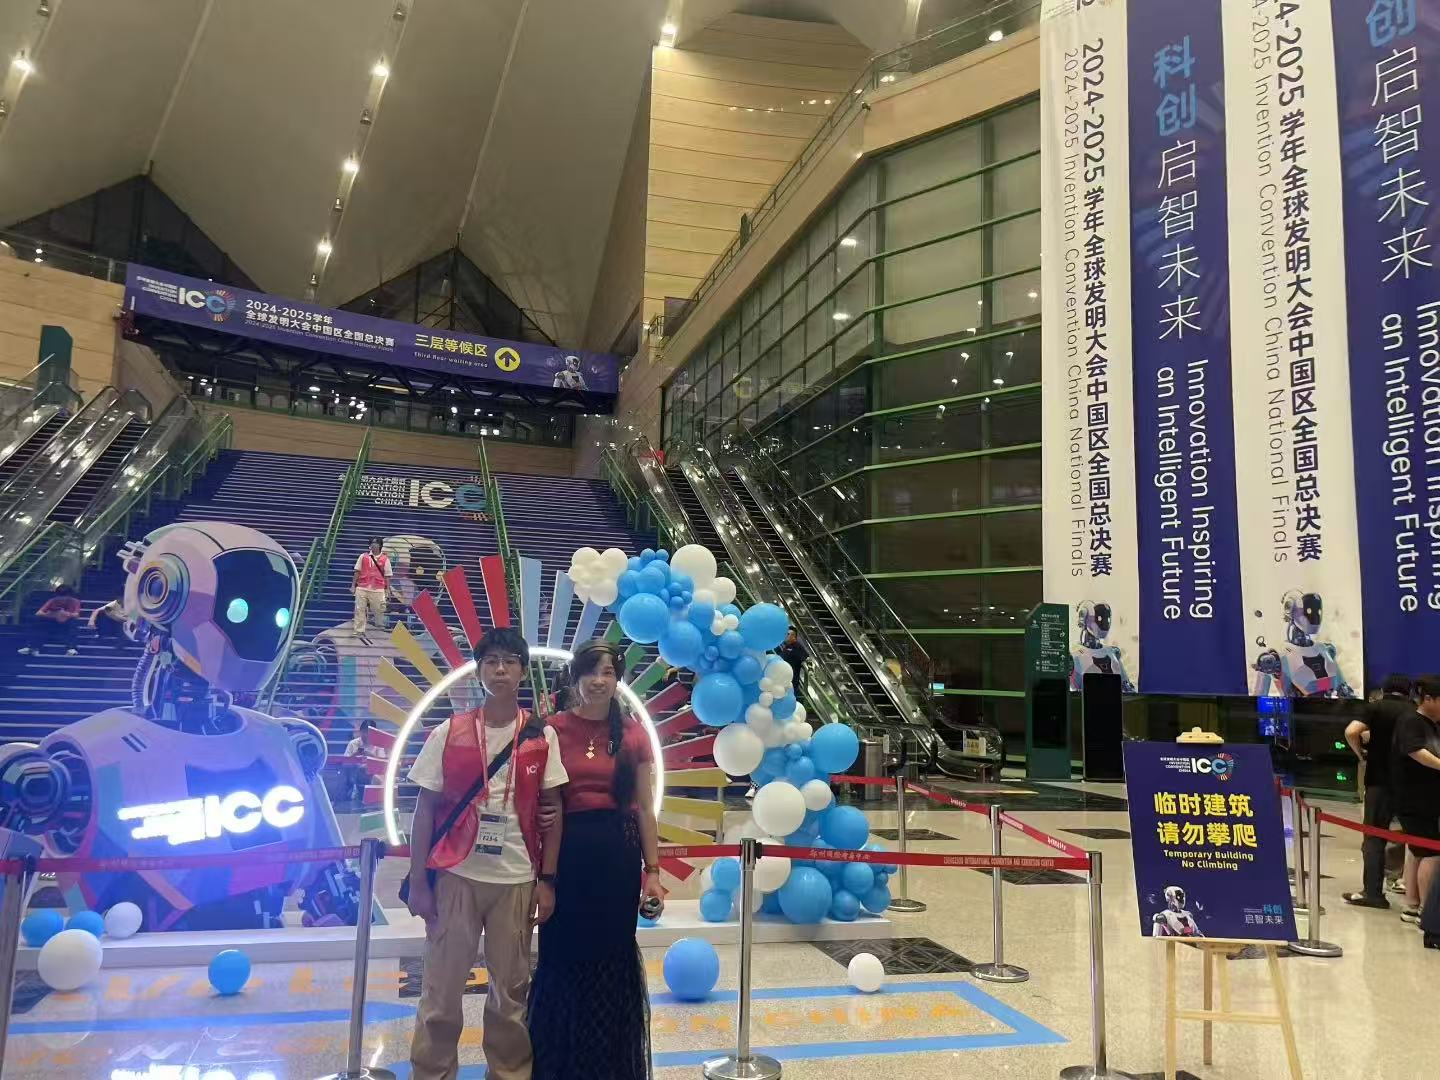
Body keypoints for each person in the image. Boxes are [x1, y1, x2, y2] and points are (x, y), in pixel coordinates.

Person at [407, 627, 568, 1080]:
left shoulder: (541, 735)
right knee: (440, 992)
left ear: (522, 671)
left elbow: (554, 807)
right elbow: (424, 809)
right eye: (491, 661)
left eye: (509, 662)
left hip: (516, 877)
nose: (500, 670)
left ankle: (509, 1074)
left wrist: (547, 881)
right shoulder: (450, 731)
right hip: (456, 874)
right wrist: (418, 881)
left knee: (510, 996)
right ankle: (432, 1074)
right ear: (478, 671)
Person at [529, 639, 663, 1080]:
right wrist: (545, 873)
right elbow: (538, 795)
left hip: (617, 859)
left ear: (618, 680)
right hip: (566, 856)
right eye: (591, 671)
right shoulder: (551, 729)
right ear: (575, 677)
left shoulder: (634, 735)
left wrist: (653, 872)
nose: (599, 681)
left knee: (610, 959)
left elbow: (645, 809)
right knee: (561, 957)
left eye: (608, 672)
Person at [1343, 674, 1412, 908]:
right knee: (1416, 838)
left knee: (1374, 837)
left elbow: (1351, 731)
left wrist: (1360, 754)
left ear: (1384, 690)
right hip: (1412, 784)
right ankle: (1410, 890)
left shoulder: (1376, 708)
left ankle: (1372, 893)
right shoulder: (1415, 711)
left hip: (1379, 781)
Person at [1391, 673, 1440, 948]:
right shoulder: (1410, 721)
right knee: (1432, 852)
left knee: (1418, 850)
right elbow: (1415, 752)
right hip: (1415, 798)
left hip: (1427, 798)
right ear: (1428, 699)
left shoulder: (1433, 724)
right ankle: (1426, 911)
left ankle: (1412, 904)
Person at [18, 584, 82, 657]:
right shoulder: (53, 600)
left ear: (69, 595)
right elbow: (39, 613)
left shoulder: (75, 601)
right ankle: (32, 648)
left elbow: (76, 615)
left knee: (74, 623)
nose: (62, 598)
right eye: (60, 595)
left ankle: (71, 648)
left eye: (64, 596)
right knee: (38, 621)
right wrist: (53, 614)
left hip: (66, 624)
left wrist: (65, 614)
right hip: (52, 623)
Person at [352, 537, 394, 635]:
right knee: (359, 609)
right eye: (372, 543)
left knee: (379, 609)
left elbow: (387, 575)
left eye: (375, 543)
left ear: (380, 545)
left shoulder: (385, 559)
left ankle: (379, 627)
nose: (373, 545)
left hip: (378, 588)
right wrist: (353, 585)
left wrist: (387, 589)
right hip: (362, 586)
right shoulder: (363, 556)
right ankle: (358, 630)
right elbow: (357, 571)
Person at [342, 718, 375, 803]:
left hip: (372, 778)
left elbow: (383, 764)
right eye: (364, 732)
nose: (366, 735)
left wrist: (371, 756)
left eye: (368, 732)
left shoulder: (378, 745)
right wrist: (356, 754)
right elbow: (344, 763)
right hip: (355, 777)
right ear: (360, 732)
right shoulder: (353, 744)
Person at [777, 626, 810, 700]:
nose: (787, 636)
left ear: (794, 637)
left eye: (789, 634)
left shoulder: (797, 647)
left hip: (791, 682)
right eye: (787, 634)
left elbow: (806, 657)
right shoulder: (786, 647)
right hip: (782, 680)